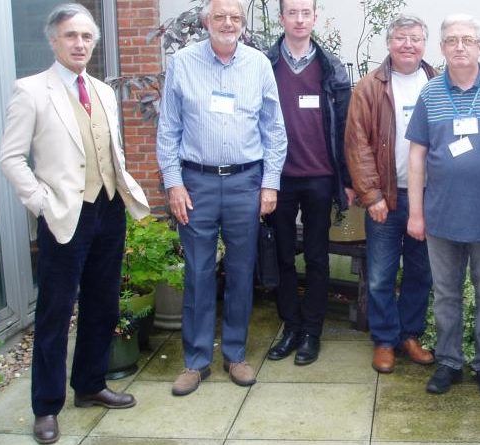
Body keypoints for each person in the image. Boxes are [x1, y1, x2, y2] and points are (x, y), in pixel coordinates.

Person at [0, 3, 151, 443]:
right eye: (70, 36)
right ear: (54, 41)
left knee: (103, 302)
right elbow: (10, 157)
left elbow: (109, 150)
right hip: (64, 214)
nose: (79, 44)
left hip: (108, 208)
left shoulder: (102, 90)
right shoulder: (30, 90)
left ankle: (89, 384)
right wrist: (40, 202)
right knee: (55, 311)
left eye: (86, 37)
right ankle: (46, 407)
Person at [156, 0, 287, 394]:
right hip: (196, 184)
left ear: (242, 24)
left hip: (246, 182)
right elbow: (168, 130)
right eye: (219, 17)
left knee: (242, 271)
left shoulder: (258, 65)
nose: (228, 23)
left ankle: (235, 354)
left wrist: (270, 182)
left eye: (235, 17)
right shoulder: (182, 63)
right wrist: (173, 183)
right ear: (205, 22)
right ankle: (196, 362)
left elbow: (274, 130)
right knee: (197, 273)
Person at [406, 13, 480, 397]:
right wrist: (416, 213)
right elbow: (417, 156)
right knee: (446, 295)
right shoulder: (430, 93)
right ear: (442, 47)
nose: (459, 46)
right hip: (441, 217)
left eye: (467, 40)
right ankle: (449, 362)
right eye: (451, 40)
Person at [345, 14, 438, 374]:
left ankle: (409, 335)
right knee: (382, 274)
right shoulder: (370, 87)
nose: (408, 44)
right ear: (389, 43)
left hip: (427, 198)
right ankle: (384, 340)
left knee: (421, 272)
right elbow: (357, 144)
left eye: (415, 38)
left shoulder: (437, 83)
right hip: (386, 199)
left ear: (424, 44)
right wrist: (372, 196)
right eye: (401, 38)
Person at [264, 0, 353, 366]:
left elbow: (345, 128)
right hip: (278, 177)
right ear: (282, 18)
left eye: (306, 13)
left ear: (315, 17)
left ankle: (312, 332)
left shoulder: (330, 67)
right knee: (283, 256)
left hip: (319, 177)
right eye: (292, 13)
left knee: (317, 257)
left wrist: (345, 180)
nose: (299, 20)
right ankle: (291, 326)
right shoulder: (265, 65)